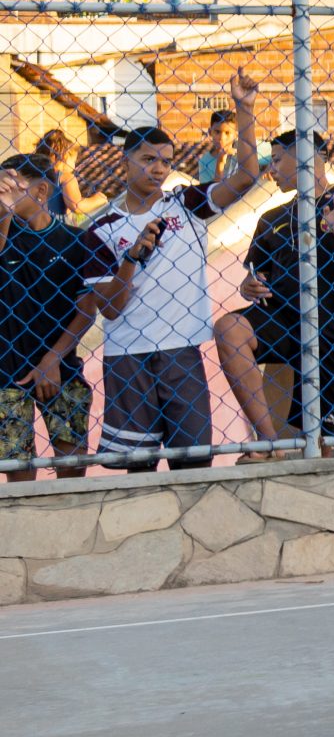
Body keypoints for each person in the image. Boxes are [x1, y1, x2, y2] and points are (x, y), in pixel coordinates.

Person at [87, 80, 263, 468]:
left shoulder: (186, 205)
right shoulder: (102, 231)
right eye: (148, 159)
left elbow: (247, 176)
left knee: (194, 463)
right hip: (128, 356)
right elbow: (111, 310)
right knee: (138, 470)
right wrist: (131, 258)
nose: (159, 168)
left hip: (181, 350)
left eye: (166, 161)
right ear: (125, 162)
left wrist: (245, 110)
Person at [214, 129, 334, 452]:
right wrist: (248, 286)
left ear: (306, 158)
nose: (271, 169)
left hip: (332, 329)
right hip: (285, 321)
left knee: (317, 442)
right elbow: (256, 276)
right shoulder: (271, 218)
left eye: (278, 160)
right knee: (228, 329)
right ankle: (266, 443)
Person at [0, 153, 117, 478]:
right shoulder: (4, 238)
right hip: (7, 374)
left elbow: (86, 311)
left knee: (72, 469)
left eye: (11, 184)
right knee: (18, 477)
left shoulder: (76, 241)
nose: (3, 191)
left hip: (62, 368)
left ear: (39, 191)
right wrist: (4, 214)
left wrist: (51, 359)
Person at [194, 111, 238, 185]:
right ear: (210, 132)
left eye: (227, 133)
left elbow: (264, 157)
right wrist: (220, 162)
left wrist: (265, 171)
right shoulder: (205, 161)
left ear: (235, 135)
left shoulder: (244, 151)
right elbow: (211, 190)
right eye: (217, 132)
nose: (222, 138)